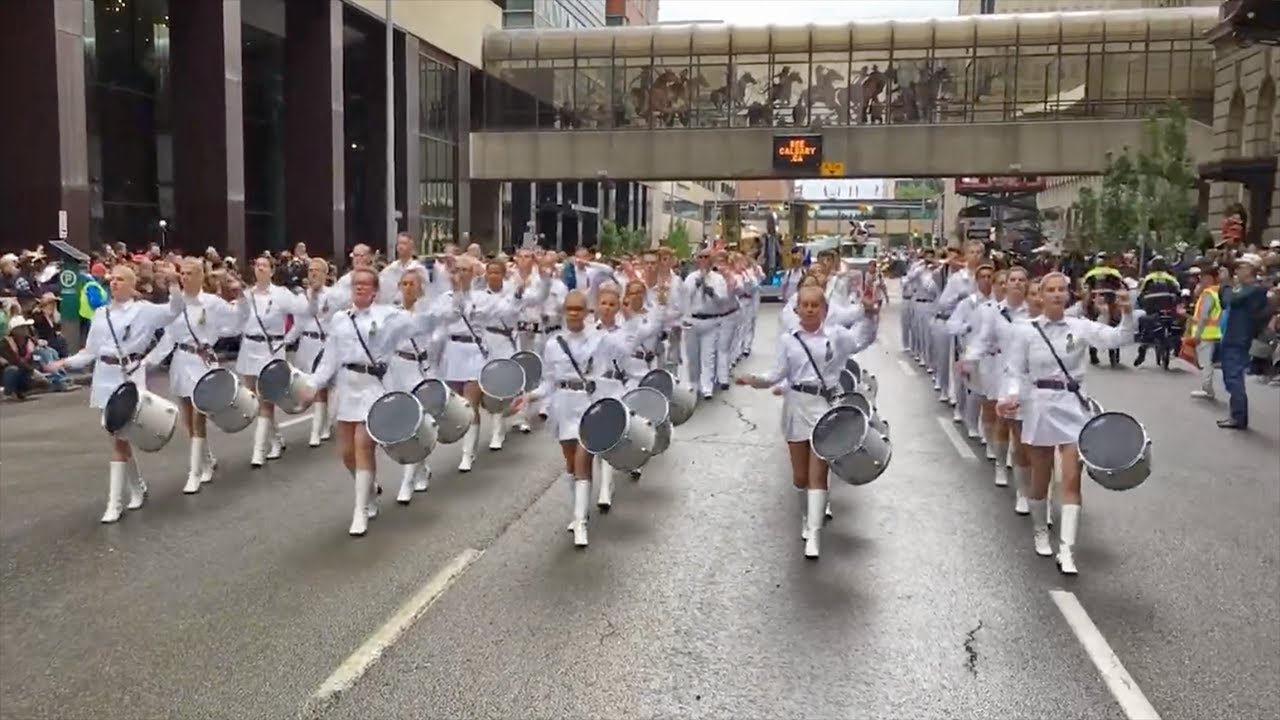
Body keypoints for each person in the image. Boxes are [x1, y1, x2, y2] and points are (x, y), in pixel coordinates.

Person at [997, 272, 1135, 575]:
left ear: (1068, 294)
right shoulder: (1025, 331)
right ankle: (1040, 531)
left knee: (1072, 479)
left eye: (1062, 290)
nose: (1057, 295)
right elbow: (1014, 371)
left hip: (1074, 407)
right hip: (1039, 406)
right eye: (1051, 290)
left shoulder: (1080, 327)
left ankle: (1067, 549)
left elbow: (1119, 338)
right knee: (1041, 479)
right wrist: (1010, 396)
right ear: (1042, 295)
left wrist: (1126, 312)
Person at [734, 284, 879, 559]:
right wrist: (754, 380)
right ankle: (806, 516)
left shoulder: (838, 336)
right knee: (800, 476)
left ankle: (814, 533)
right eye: (805, 305)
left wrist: (870, 316)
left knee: (818, 474)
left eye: (816, 305)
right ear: (797, 309)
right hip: (796, 407)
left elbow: (864, 339)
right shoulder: (789, 340)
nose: (810, 310)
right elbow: (776, 373)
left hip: (825, 408)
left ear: (824, 310)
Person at [295, 267, 441, 536]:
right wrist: (313, 384)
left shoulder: (389, 317)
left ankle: (360, 510)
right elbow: (330, 358)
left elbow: (426, 323)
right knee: (346, 453)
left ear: (375, 290)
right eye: (355, 284)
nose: (359, 288)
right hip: (348, 388)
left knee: (364, 445)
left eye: (365, 285)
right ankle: (370, 489)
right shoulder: (340, 319)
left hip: (374, 387)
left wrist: (438, 294)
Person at [47, 265, 184, 523]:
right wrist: (64, 363)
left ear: (132, 285)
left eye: (121, 279)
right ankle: (136, 487)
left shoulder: (144, 311)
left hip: (129, 376)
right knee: (117, 438)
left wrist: (174, 285)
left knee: (120, 438)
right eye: (112, 279)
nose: (114, 283)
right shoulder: (100, 314)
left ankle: (115, 502)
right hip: (104, 377)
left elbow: (175, 310)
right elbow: (90, 351)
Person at [511, 289, 646, 548]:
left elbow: (626, 349)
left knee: (584, 460)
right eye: (569, 309)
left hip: (589, 405)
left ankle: (580, 522)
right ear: (564, 312)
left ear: (586, 313)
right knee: (572, 464)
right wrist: (530, 397)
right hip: (564, 406)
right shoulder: (553, 344)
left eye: (578, 309)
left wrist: (630, 318)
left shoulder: (600, 340)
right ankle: (578, 510)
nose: (574, 314)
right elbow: (549, 382)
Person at [145, 258, 244, 493]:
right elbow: (168, 339)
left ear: (200, 276)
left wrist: (242, 299)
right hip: (181, 362)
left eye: (191, 274)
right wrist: (147, 362)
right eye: (183, 274)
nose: (186, 278)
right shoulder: (174, 305)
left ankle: (196, 472)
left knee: (200, 416)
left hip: (202, 361)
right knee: (188, 419)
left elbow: (237, 321)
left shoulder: (212, 303)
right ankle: (206, 458)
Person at [1216, 254, 1269, 430]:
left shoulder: (1251, 289)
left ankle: (1238, 417)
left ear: (1250, 269)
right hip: (1235, 335)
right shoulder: (1249, 288)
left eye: (1241, 267)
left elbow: (1228, 300)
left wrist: (1225, 284)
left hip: (1237, 337)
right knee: (1231, 375)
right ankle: (1237, 415)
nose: (1237, 271)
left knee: (1233, 377)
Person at [1186, 266, 1222, 400]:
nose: (1200, 280)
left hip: (1206, 332)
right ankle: (1207, 388)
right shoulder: (1218, 291)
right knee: (1208, 361)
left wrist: (1197, 334)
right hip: (1216, 331)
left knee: (1205, 362)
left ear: (1209, 278)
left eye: (1202, 278)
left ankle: (1207, 389)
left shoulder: (1208, 293)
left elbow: (1204, 316)